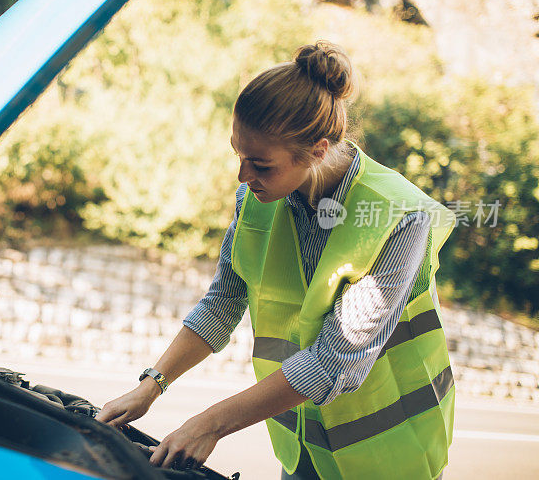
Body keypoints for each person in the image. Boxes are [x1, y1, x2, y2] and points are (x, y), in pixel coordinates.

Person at [95, 41, 456, 479]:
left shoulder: (398, 217)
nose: (243, 177)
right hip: (303, 450)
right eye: (239, 155)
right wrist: (152, 386)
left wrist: (208, 425)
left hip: (390, 458)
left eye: (261, 165)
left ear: (318, 150)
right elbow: (222, 303)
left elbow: (332, 362)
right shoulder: (257, 197)